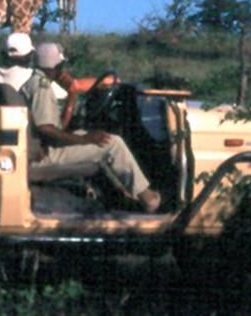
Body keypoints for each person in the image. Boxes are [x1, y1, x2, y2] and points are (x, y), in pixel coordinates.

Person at [20, 42, 161, 213]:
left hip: (43, 148)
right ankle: (148, 198)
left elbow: (59, 128)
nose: (64, 70)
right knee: (112, 143)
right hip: (43, 155)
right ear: (54, 66)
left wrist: (72, 93)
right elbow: (46, 129)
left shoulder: (36, 82)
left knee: (97, 137)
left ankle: (122, 195)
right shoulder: (41, 87)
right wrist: (84, 139)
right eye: (61, 65)